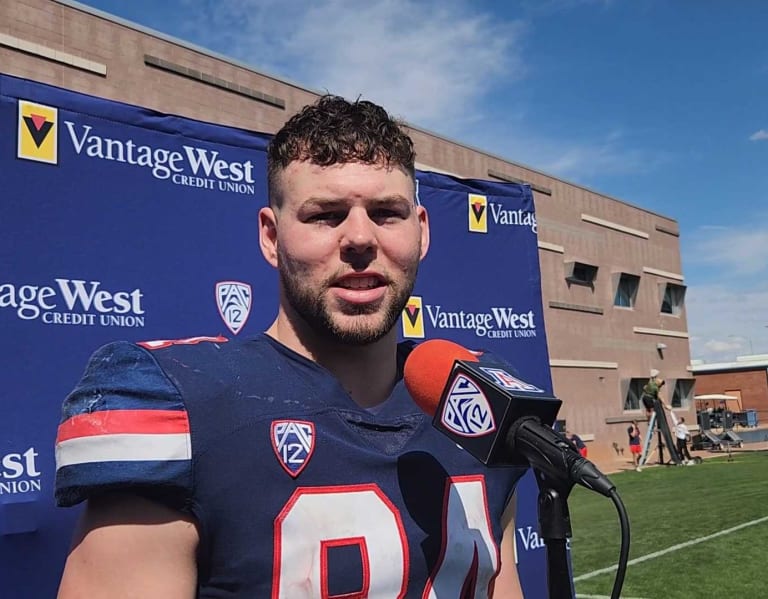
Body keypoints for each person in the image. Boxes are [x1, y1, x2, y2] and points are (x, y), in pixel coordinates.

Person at [53, 96, 527, 597]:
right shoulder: (184, 403)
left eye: (387, 213)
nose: (360, 238)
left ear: (422, 231)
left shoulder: (477, 395)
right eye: (326, 215)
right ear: (271, 236)